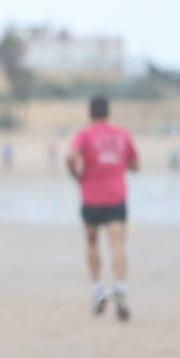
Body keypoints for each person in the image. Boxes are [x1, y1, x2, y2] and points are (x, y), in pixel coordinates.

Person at [66, 95, 139, 321]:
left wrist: (76, 175)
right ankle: (120, 287)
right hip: (116, 196)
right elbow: (135, 165)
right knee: (117, 244)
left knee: (91, 242)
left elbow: (70, 156)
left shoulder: (85, 135)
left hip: (91, 197)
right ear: (109, 112)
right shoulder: (122, 134)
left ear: (90, 113)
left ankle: (98, 289)